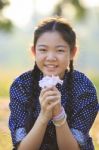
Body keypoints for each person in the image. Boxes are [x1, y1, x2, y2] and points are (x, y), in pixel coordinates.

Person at [9, 16, 98, 150]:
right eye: (43, 50)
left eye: (60, 50)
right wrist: (44, 116)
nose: (51, 57)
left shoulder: (84, 88)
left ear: (73, 52)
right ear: (34, 51)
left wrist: (58, 114)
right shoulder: (21, 85)